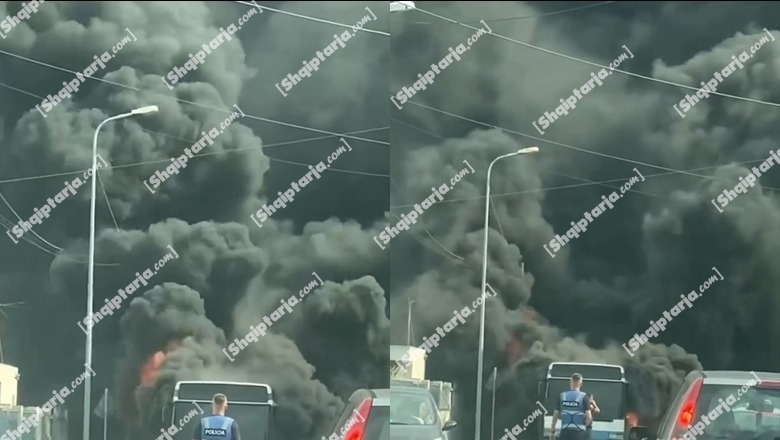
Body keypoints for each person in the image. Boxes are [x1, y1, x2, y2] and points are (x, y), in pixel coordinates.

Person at [550, 373, 592, 440]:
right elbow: (589, 418)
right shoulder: (584, 397)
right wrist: (584, 428)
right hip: (579, 434)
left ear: (570, 382)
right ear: (581, 384)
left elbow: (555, 415)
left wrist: (553, 431)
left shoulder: (562, 396)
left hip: (565, 433)